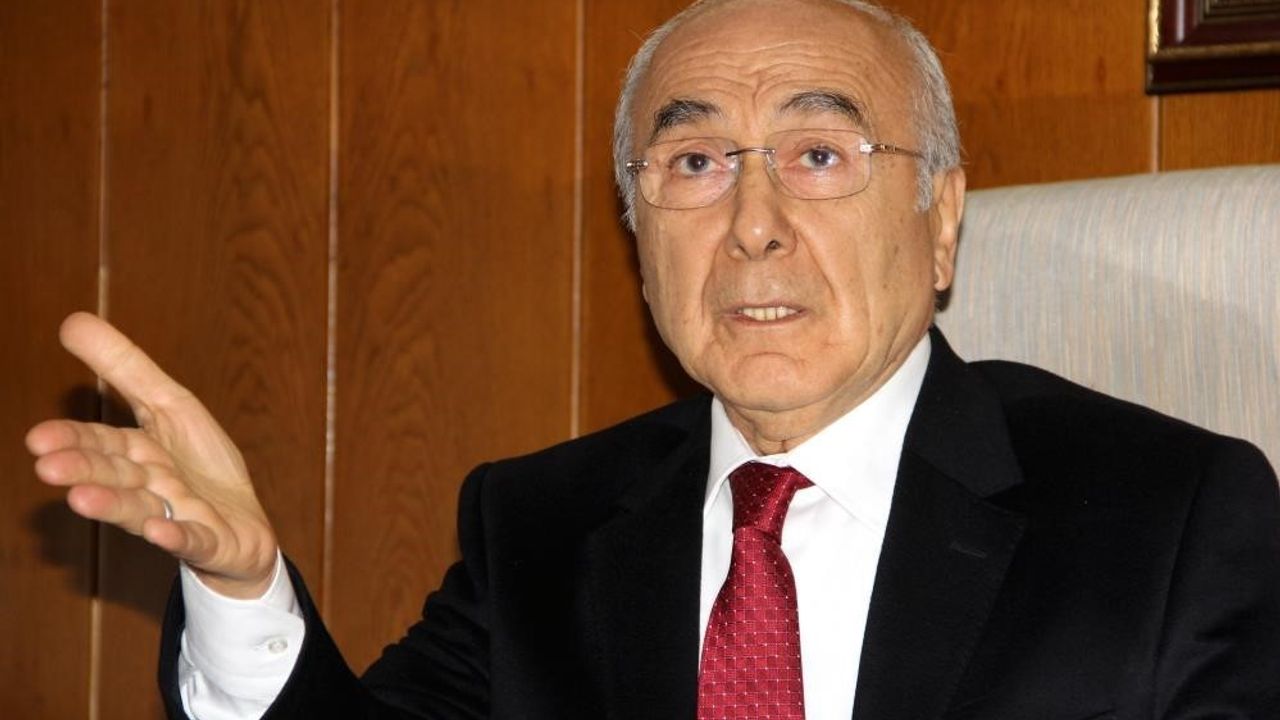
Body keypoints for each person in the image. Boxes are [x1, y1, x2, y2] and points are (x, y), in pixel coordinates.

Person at [27, 0, 1280, 717]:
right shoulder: (541, 527)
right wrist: (244, 588)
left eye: (818, 155)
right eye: (693, 163)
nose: (751, 224)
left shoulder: (1165, 515)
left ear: (940, 220)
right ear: (637, 240)